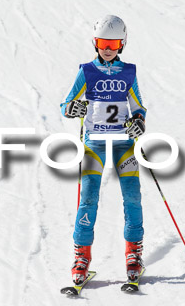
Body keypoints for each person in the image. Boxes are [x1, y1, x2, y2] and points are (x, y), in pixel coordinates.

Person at [60, 15, 147, 285]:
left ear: (121, 44)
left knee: (132, 198)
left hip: (123, 144)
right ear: (95, 43)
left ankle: (134, 253)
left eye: (112, 43)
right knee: (88, 199)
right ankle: (81, 256)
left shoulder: (128, 72)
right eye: (101, 42)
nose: (107, 48)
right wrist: (72, 108)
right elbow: (66, 104)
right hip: (95, 144)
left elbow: (139, 107)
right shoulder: (87, 72)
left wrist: (139, 122)